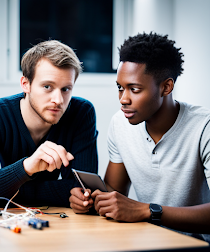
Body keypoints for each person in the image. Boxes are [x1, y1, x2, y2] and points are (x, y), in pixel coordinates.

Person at [69, 32, 210, 242]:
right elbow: (114, 192)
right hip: (145, 240)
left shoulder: (203, 127)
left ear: (166, 87)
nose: (123, 99)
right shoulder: (120, 123)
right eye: (120, 88)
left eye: (134, 89)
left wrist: (148, 211)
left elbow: (141, 210)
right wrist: (89, 201)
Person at [0, 40, 98, 207]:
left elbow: (85, 192)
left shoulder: (81, 113)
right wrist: (26, 167)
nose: (58, 100)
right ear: (26, 84)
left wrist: (9, 190)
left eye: (66, 89)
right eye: (47, 86)